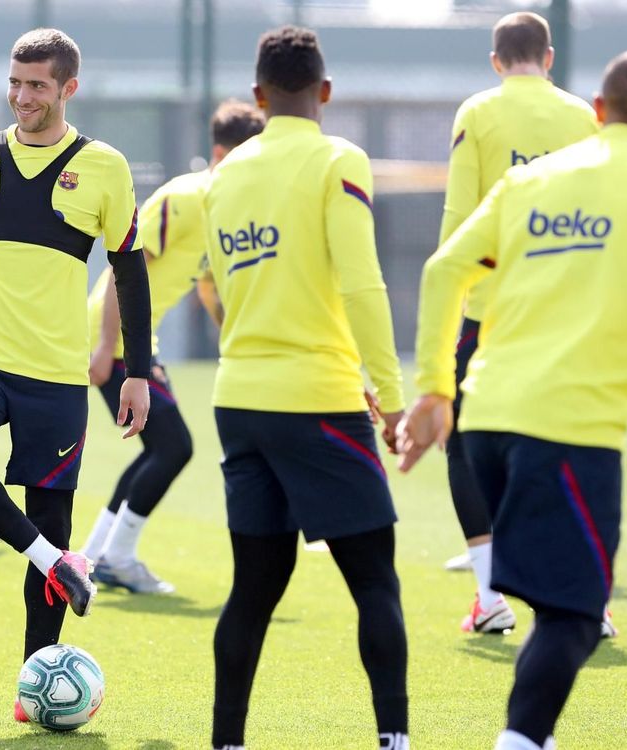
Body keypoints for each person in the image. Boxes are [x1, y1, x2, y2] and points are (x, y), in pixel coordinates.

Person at [0, 28, 151, 721]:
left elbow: (130, 269)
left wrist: (136, 370)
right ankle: (55, 560)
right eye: (15, 83)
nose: (22, 97)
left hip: (55, 377)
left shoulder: (104, 166)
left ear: (68, 88)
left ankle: (31, 688)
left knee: (50, 513)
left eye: (37, 85)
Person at [399, 50, 627, 750]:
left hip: (486, 419)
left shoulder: (529, 182)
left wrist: (436, 388)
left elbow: (443, 271)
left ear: (595, 112)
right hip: (569, 428)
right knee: (576, 616)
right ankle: (520, 742)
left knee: (552, 602)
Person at [205, 27, 409, 750]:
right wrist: (390, 394)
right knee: (375, 584)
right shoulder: (338, 158)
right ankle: (395, 740)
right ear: (324, 92)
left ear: (258, 98)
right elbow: (361, 281)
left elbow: (218, 285)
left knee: (253, 589)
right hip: (319, 400)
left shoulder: (223, 175)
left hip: (239, 401)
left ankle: (226, 741)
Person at [434, 11, 601, 635]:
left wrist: (451, 304)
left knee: (463, 442)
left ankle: (490, 594)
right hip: (564, 309)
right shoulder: (585, 115)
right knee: (564, 440)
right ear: (549, 56)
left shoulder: (476, 112)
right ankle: (585, 597)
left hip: (488, 307)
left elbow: (459, 216)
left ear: (496, 60)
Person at [79, 99, 265, 594]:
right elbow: (126, 268)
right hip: (113, 333)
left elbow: (209, 285)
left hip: (136, 340)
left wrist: (238, 339)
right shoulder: (186, 196)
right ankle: (116, 556)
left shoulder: (227, 206)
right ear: (220, 153)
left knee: (158, 449)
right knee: (173, 447)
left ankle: (95, 555)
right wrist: (103, 347)